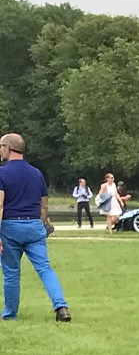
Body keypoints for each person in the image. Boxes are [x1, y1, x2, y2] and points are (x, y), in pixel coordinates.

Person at [0, 134, 71, 321]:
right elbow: (44, 206)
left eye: (1, 146)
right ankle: (61, 307)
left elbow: (0, 205)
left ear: (8, 148)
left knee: (11, 272)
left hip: (9, 226)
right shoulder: (36, 173)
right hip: (34, 225)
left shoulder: (2, 173)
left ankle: (10, 313)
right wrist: (41, 224)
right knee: (45, 269)